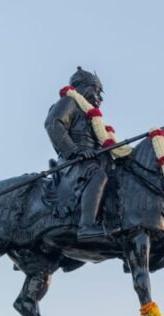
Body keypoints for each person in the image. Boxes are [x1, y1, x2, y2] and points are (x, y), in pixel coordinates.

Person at [45, 67, 115, 241]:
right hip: (74, 160)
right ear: (81, 87)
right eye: (95, 89)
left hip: (95, 158)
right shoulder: (69, 102)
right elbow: (54, 125)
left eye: (100, 92)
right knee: (97, 176)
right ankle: (87, 225)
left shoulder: (94, 117)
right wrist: (74, 150)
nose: (99, 96)